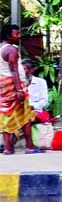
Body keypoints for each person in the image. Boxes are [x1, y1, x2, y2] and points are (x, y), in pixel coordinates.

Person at [0, 24, 39, 154]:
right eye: (16, 34)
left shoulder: (1, 48)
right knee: (26, 116)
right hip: (13, 85)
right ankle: (29, 146)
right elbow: (14, 70)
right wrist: (19, 90)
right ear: (8, 35)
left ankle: (8, 148)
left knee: (6, 114)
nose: (19, 36)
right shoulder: (11, 50)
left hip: (3, 85)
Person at [22, 59, 49, 124]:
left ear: (32, 70)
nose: (21, 72)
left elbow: (44, 101)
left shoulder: (41, 82)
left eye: (24, 69)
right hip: (19, 113)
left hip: (35, 112)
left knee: (27, 119)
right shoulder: (16, 84)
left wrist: (32, 106)